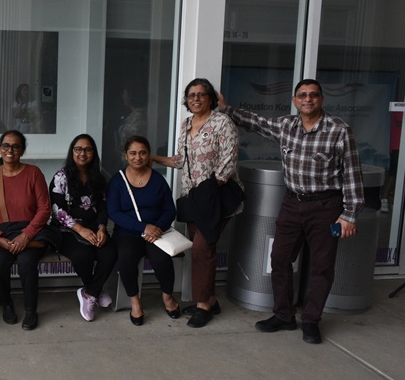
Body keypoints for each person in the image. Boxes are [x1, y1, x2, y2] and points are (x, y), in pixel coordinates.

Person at [219, 78, 364, 344]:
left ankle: (311, 320)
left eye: (313, 95)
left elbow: (352, 174)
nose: (308, 99)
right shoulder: (287, 126)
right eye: (303, 95)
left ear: (322, 99)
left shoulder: (339, 130)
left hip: (326, 207)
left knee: (322, 267)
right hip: (292, 204)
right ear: (295, 100)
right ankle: (284, 315)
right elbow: (257, 123)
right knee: (279, 259)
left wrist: (349, 214)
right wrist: (227, 110)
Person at [152, 78, 243, 328]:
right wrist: (153, 158)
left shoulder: (222, 123)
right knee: (201, 249)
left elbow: (228, 165)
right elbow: (181, 161)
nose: (196, 99)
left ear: (211, 98)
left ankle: (203, 306)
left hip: (215, 197)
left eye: (201, 94)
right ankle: (211, 299)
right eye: (191, 95)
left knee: (203, 248)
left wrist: (207, 193)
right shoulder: (186, 124)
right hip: (193, 199)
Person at [0, 130, 53, 331]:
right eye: (6, 145)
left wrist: (26, 235)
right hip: (3, 233)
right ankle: (6, 304)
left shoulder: (33, 173)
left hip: (31, 231)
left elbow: (44, 209)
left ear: (22, 150)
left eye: (16, 146)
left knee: (26, 262)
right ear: (0, 149)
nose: (10, 150)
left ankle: (31, 310)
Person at [107, 135, 179, 326]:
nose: (137, 157)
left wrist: (157, 228)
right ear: (126, 155)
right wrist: (143, 227)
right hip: (127, 232)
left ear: (148, 155)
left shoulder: (158, 180)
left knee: (161, 259)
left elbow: (169, 210)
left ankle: (167, 297)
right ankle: (135, 302)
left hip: (156, 232)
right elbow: (114, 213)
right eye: (133, 153)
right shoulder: (117, 180)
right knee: (126, 258)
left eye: (142, 153)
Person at [50, 134, 117, 322]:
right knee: (82, 255)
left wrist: (102, 228)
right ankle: (95, 290)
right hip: (67, 230)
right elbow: (57, 211)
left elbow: (103, 207)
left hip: (94, 228)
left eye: (88, 150)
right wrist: (80, 229)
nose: (82, 153)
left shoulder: (99, 177)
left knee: (110, 253)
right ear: (72, 152)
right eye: (78, 149)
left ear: (93, 153)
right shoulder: (61, 177)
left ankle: (90, 293)